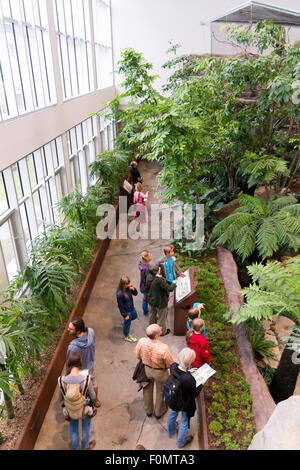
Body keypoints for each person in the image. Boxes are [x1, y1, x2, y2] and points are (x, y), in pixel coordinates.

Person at [58, 351, 96, 450]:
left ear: (69, 364)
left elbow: (60, 399)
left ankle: (74, 448)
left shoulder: (62, 381)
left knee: (73, 428)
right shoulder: (86, 379)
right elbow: (93, 396)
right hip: (84, 409)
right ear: (80, 363)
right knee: (85, 427)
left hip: (71, 410)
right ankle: (85, 447)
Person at [135, 324, 175, 419]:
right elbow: (170, 363)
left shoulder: (141, 342)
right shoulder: (164, 348)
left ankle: (149, 410)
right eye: (159, 329)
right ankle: (158, 412)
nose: (161, 328)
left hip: (147, 370)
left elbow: (137, 355)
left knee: (147, 389)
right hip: (160, 373)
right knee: (161, 391)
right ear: (157, 336)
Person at [167, 348, 202, 448]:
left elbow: (180, 373)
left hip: (174, 399)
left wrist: (188, 371)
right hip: (185, 403)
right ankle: (181, 442)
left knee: (172, 413)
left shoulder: (173, 367)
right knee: (184, 421)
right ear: (191, 361)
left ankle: (171, 432)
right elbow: (194, 393)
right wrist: (201, 384)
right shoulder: (189, 379)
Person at [66, 318, 101, 408]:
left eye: (71, 329)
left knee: (82, 389)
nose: (68, 330)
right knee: (93, 383)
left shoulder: (73, 347)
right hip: (90, 364)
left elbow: (69, 364)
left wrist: (68, 375)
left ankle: (84, 405)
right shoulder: (91, 332)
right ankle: (96, 401)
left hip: (81, 370)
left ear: (78, 330)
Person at [144, 264, 177, 336]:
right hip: (160, 302)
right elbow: (169, 288)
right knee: (161, 318)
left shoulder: (149, 276)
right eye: (159, 269)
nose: (160, 269)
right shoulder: (159, 280)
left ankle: (151, 328)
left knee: (152, 315)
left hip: (151, 300)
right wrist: (174, 283)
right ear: (157, 272)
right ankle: (162, 332)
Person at [116, 275, 138, 343]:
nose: (128, 285)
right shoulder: (119, 294)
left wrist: (133, 289)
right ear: (122, 285)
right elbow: (120, 306)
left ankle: (125, 322)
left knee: (135, 316)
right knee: (127, 324)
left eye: (129, 283)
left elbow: (136, 294)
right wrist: (125, 315)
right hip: (127, 311)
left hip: (131, 308)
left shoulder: (128, 288)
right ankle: (126, 336)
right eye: (127, 284)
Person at [138, 250, 153, 315]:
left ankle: (145, 311)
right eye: (150, 255)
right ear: (147, 258)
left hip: (143, 286)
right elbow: (148, 279)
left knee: (145, 299)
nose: (151, 255)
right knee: (146, 299)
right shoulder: (147, 269)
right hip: (147, 287)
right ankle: (146, 311)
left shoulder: (141, 264)